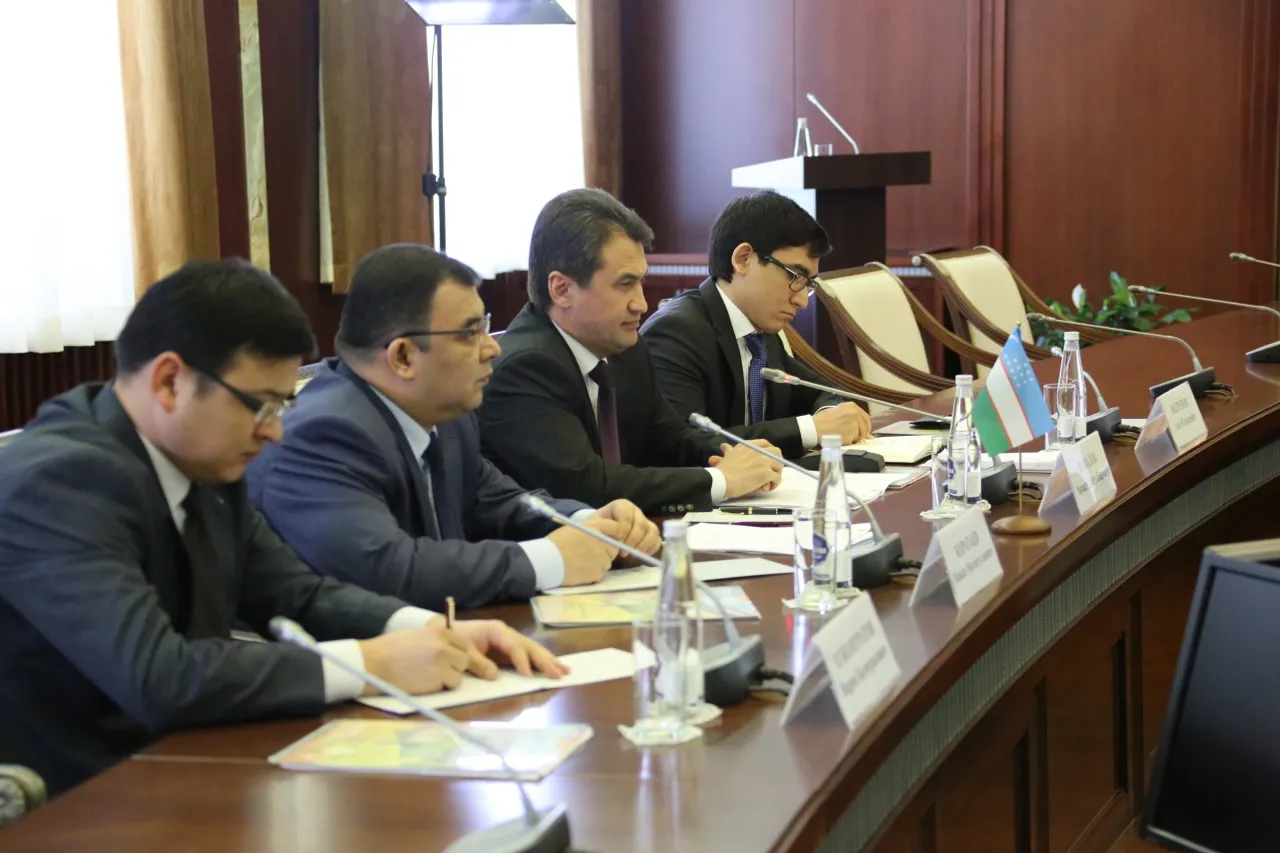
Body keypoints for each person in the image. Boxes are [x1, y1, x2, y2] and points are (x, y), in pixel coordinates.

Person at [0, 259, 564, 797]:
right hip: (79, 799)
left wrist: (429, 630)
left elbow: (297, 593)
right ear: (170, 382)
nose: (274, 433)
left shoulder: (201, 457)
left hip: (197, 760)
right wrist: (370, 664)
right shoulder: (57, 483)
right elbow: (158, 675)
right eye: (263, 407)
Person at [248, 244, 659, 610]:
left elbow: (502, 504)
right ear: (403, 357)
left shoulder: (446, 415)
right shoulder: (324, 435)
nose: (492, 347)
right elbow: (387, 568)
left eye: (485, 326)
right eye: (470, 333)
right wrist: (549, 560)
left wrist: (590, 523)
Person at [477, 188, 783, 516]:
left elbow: (670, 437)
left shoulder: (624, 349)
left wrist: (740, 454)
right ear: (562, 289)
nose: (641, 304)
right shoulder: (524, 369)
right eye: (625, 285)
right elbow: (586, 485)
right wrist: (720, 480)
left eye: (641, 283)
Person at [641, 191, 872, 458]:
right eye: (795, 276)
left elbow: (822, 391)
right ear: (743, 259)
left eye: (807, 284)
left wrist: (830, 414)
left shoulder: (760, 332)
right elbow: (684, 444)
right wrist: (811, 429)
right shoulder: (675, 332)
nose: (801, 301)